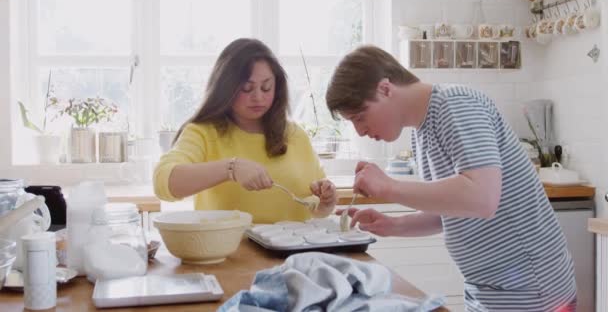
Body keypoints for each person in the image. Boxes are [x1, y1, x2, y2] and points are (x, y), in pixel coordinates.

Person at [326, 45, 576, 311]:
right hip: (488, 290)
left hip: (530, 289)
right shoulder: (424, 130)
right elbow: (455, 212)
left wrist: (389, 187)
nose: (360, 131)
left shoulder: (455, 104)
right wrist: (394, 225)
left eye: (359, 117)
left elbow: (482, 199)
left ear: (385, 89)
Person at [153, 38, 337, 224]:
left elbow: (314, 206)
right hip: (230, 252)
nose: (258, 97)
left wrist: (325, 204)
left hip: (293, 252)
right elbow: (163, 183)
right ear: (226, 89)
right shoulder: (203, 133)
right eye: (246, 88)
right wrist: (231, 168)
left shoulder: (295, 135)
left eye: (266, 87)